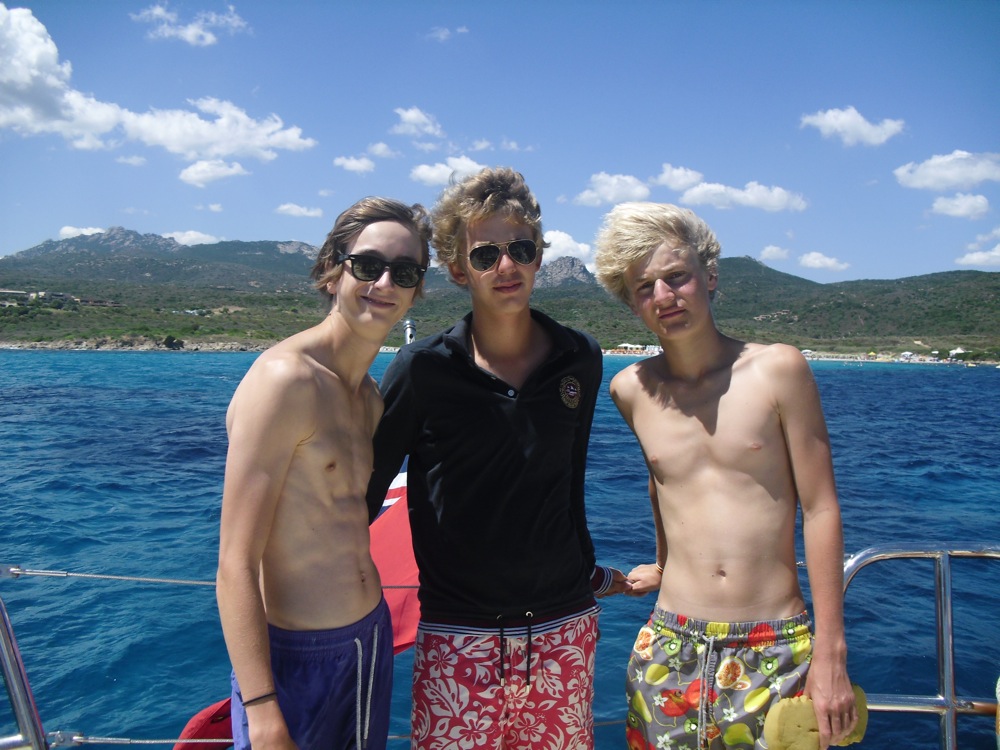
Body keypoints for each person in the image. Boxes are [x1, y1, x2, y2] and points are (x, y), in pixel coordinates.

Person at [366, 166, 630, 750]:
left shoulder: (579, 358)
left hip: (565, 629)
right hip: (460, 636)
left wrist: (591, 573)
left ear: (539, 256)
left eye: (521, 249)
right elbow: (362, 498)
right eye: (486, 255)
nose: (506, 266)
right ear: (459, 269)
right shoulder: (423, 370)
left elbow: (570, 482)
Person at [593, 202, 857, 750]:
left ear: (710, 276)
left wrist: (831, 650)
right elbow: (662, 479)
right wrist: (662, 564)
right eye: (644, 287)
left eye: (676, 276)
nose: (664, 296)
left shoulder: (778, 369)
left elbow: (820, 507)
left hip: (775, 647)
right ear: (632, 302)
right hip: (668, 645)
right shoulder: (630, 389)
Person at [216, 197, 432, 750]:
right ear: (334, 270)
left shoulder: (369, 398)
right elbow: (235, 563)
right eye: (368, 265)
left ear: (416, 291)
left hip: (367, 642)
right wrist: (261, 710)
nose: (384, 283)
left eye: (404, 272)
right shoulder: (285, 382)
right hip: (296, 660)